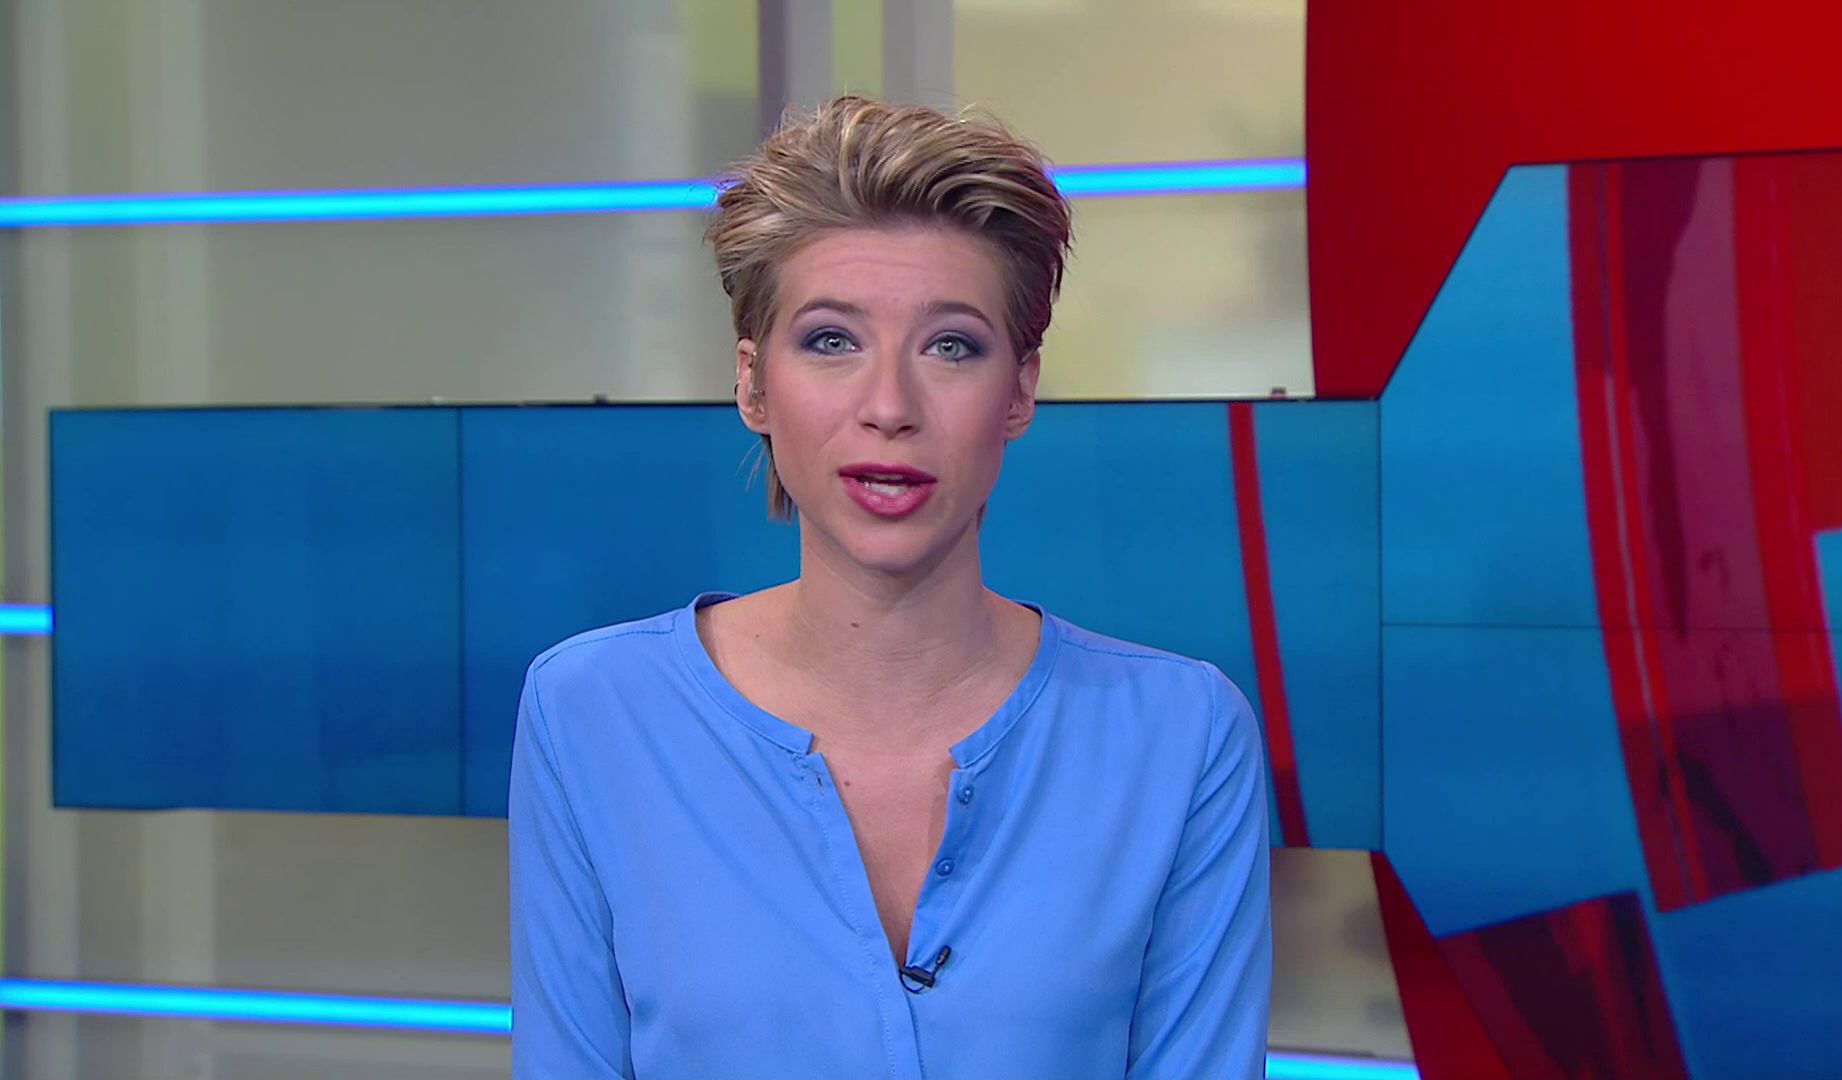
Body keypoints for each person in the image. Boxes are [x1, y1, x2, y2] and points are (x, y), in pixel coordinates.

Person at [509, 95, 1272, 1079]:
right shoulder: (592, 711)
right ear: (753, 384)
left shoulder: (1180, 735)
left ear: (1020, 389)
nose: (889, 407)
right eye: (831, 340)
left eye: (951, 346)